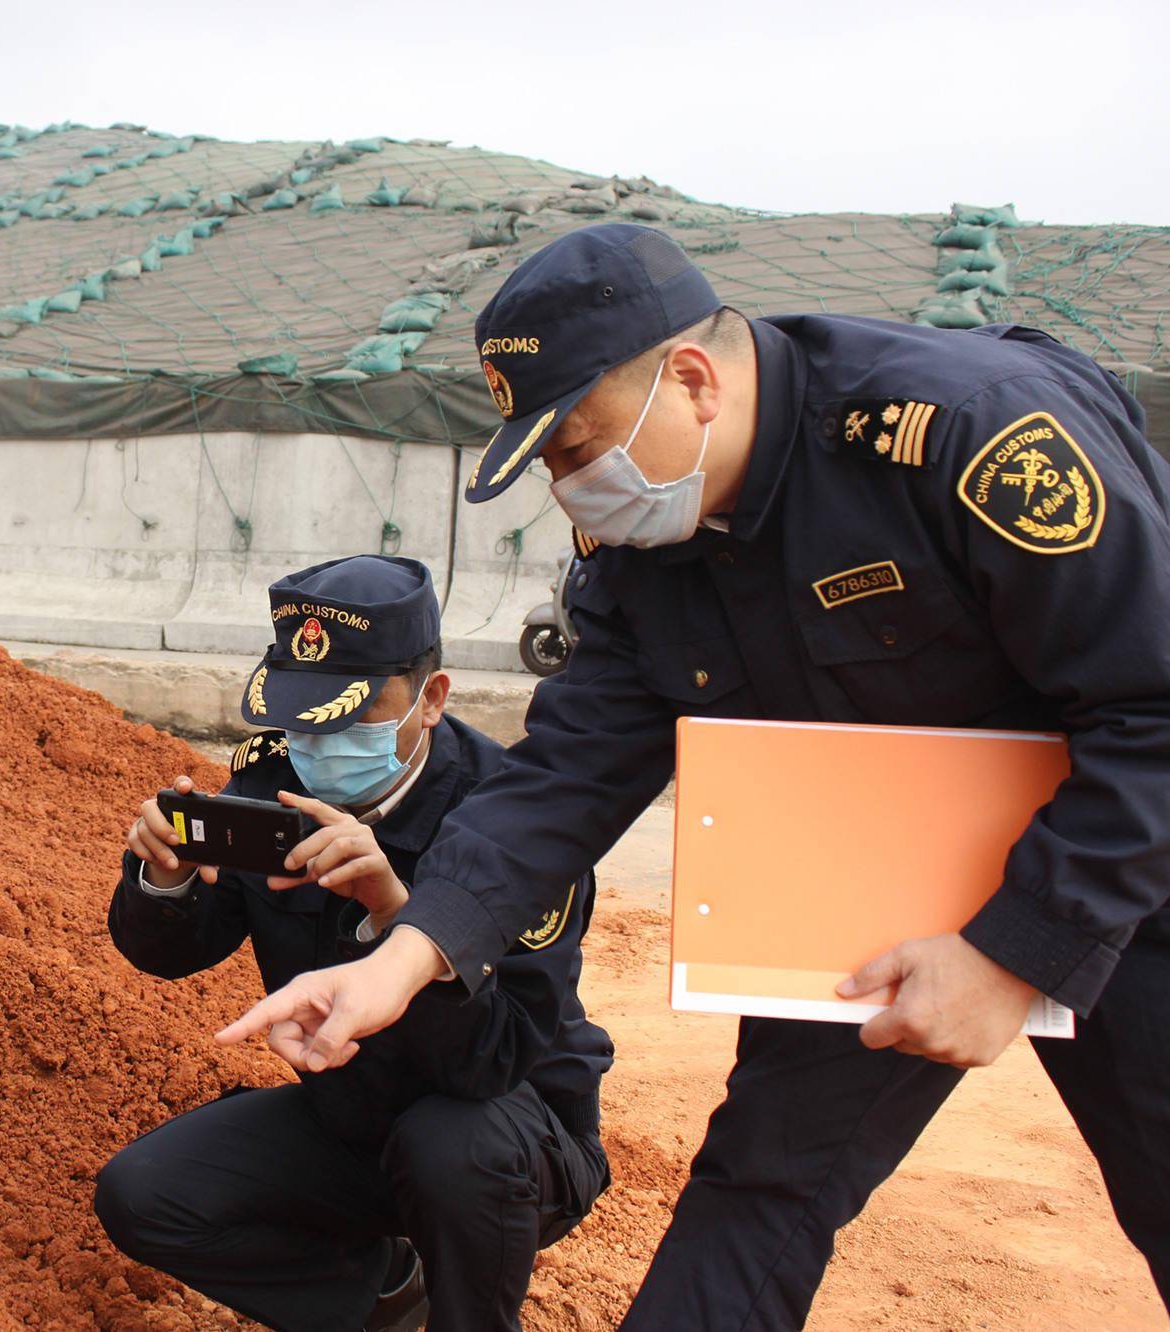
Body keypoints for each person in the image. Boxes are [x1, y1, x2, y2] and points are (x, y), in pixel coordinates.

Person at [218, 222, 1170, 1328]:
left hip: (1123, 855)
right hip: (869, 873)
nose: (572, 492)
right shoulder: (644, 551)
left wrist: (1011, 952)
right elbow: (563, 775)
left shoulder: (968, 429)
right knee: (760, 1185)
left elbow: (1151, 705)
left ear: (691, 379)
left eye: (575, 449)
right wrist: (405, 958)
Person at [94, 554, 613, 1332]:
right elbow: (173, 954)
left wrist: (397, 915)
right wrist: (163, 876)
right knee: (146, 1195)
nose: (318, 739)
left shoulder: (515, 822)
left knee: (449, 1144)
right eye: (301, 716)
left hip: (511, 1133)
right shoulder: (270, 786)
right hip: (354, 1120)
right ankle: (384, 1297)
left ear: (431, 699)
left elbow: (491, 1061)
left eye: (349, 714)